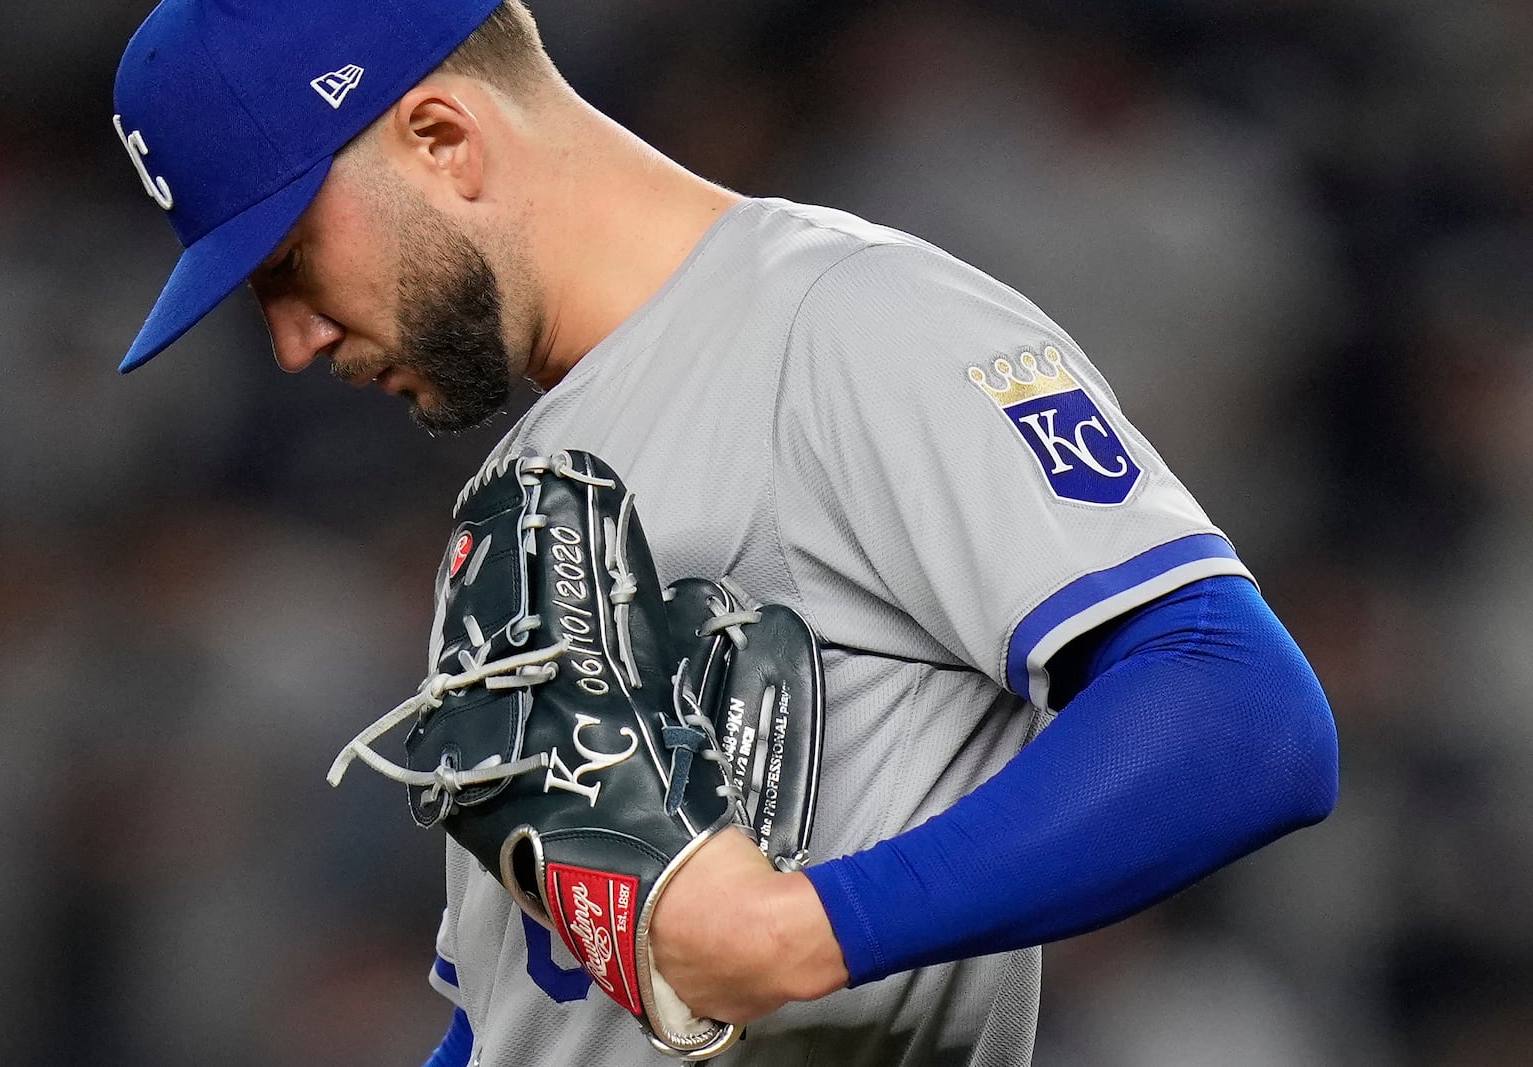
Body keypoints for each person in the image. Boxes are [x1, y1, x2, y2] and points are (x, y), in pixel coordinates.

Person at [109, 2, 1340, 1065]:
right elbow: (515, 1014)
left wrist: (801, 928)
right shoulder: (533, 478)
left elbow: (1242, 711)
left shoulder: (846, 322)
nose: (291, 340)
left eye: (286, 263)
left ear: (442, 137)